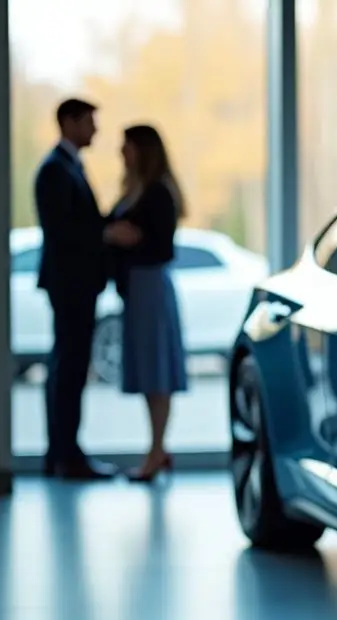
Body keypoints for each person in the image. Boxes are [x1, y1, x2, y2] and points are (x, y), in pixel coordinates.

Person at [34, 98, 118, 479]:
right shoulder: (55, 171)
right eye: (89, 122)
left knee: (67, 367)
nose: (95, 130)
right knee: (68, 368)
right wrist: (105, 233)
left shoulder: (66, 167)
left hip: (74, 284)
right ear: (69, 122)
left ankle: (64, 452)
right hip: (70, 284)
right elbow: (63, 231)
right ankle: (66, 455)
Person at [102, 124, 189, 482]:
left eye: (127, 146)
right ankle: (156, 449)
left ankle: (156, 450)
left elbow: (162, 246)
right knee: (148, 369)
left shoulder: (157, 193)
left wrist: (128, 239)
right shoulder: (134, 190)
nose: (122, 153)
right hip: (138, 290)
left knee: (157, 371)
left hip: (150, 287)